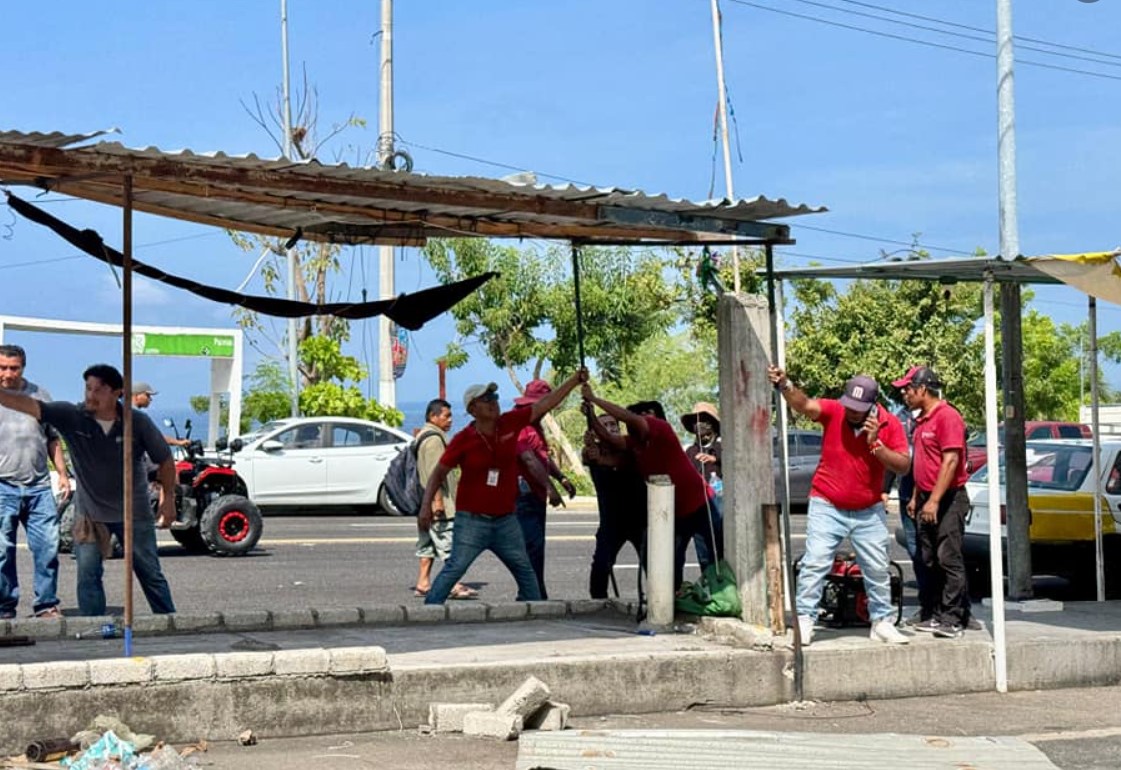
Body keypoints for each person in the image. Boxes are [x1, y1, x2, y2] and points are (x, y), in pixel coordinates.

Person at [0, 364, 177, 616]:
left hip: (133, 512)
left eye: (99, 390)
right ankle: (94, 628)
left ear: (117, 392)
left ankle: (171, 624)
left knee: (149, 572)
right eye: (88, 388)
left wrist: (167, 498)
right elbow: (30, 406)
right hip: (90, 515)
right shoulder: (72, 416)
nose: (90, 395)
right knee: (88, 576)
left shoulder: (136, 422)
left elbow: (166, 461)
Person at [768, 365, 911, 646]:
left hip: (868, 507)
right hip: (827, 502)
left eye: (859, 408)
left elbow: (904, 466)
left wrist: (876, 445)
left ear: (873, 406)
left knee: (877, 566)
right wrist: (785, 385)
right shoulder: (835, 411)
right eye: (850, 406)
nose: (852, 412)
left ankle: (882, 621)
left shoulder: (889, 424)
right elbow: (806, 405)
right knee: (816, 561)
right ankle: (806, 619)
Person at [418, 369, 587, 605]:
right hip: (472, 521)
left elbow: (545, 404)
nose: (493, 403)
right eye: (486, 399)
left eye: (495, 398)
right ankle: (430, 611)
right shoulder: (463, 440)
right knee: (454, 569)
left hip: (506, 521)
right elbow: (438, 473)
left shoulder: (510, 423)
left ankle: (535, 616)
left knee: (526, 572)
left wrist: (574, 381)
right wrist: (426, 506)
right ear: (472, 409)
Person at [582, 389, 719, 591]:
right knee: (670, 565)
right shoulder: (634, 446)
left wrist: (594, 400)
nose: (643, 419)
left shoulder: (660, 429)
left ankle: (717, 598)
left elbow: (625, 419)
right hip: (673, 512)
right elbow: (610, 446)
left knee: (712, 558)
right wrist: (591, 417)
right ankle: (671, 603)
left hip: (701, 505)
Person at [895, 364, 971, 639]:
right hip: (926, 497)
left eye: (908, 388)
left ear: (923, 389)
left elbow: (950, 461)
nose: (904, 393)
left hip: (948, 498)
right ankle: (935, 613)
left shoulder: (947, 417)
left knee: (947, 557)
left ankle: (954, 618)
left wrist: (935, 501)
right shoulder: (921, 419)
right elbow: (923, 462)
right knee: (928, 558)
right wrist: (917, 496)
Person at [0, 344, 69, 619]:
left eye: (13, 368)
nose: (7, 374)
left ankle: (46, 605)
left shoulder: (39, 395)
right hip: (2, 485)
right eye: (2, 367)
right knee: (2, 552)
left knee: (47, 549)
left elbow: (53, 438)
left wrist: (63, 474)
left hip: (38, 486)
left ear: (23, 368)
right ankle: (4, 608)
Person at [513, 379, 577, 600]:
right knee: (531, 548)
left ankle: (536, 594)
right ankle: (530, 595)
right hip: (525, 494)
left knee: (536, 549)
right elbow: (529, 460)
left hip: (534, 494)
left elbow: (542, 457)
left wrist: (561, 478)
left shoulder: (535, 425)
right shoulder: (520, 424)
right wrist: (550, 489)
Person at [412, 398, 477, 601]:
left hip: (425, 502)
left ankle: (423, 583)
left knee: (428, 544)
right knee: (448, 544)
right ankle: (453, 584)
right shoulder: (433, 441)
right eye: (446, 416)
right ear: (433, 417)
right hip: (438, 504)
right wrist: (438, 502)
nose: (450, 420)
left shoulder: (425, 436)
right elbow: (434, 474)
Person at [582, 408, 647, 599]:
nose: (611, 429)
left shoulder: (630, 449)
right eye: (605, 426)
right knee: (602, 564)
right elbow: (588, 456)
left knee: (652, 564)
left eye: (613, 425)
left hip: (639, 519)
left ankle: (662, 603)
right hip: (611, 522)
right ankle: (598, 602)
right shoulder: (594, 453)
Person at [682, 402, 723, 568]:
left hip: (719, 504)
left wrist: (716, 459)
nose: (699, 425)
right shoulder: (691, 451)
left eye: (704, 420)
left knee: (720, 546)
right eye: (695, 422)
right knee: (703, 551)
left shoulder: (722, 448)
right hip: (698, 506)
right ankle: (707, 579)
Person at [131, 382, 190, 448]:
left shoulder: (126, 412)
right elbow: (156, 437)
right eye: (147, 395)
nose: (150, 399)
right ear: (136, 396)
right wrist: (179, 442)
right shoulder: (138, 416)